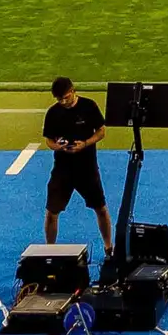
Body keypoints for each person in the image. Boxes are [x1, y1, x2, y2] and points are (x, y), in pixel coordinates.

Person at [40, 76, 112, 248]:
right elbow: (48, 140)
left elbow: (101, 131)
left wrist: (85, 144)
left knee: (101, 208)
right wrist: (57, 146)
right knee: (51, 212)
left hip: (86, 168)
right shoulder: (53, 112)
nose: (63, 101)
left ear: (73, 91)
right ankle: (50, 250)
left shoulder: (89, 106)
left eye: (66, 97)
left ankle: (109, 247)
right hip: (62, 169)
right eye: (59, 99)